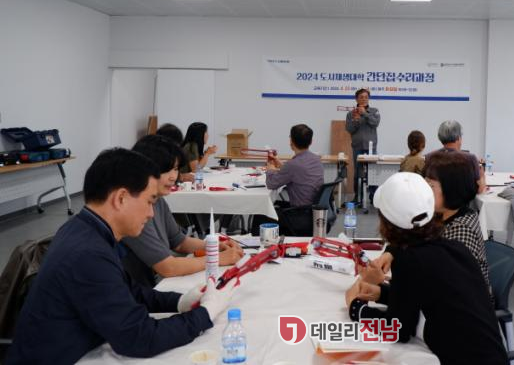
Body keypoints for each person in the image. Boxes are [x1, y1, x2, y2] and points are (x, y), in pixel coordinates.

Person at [6, 148, 236, 364]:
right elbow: (139, 338)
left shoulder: (84, 228)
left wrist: (179, 301)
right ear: (121, 198)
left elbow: (125, 292)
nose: (151, 213)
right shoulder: (88, 254)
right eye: (149, 201)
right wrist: (204, 315)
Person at [344, 172, 507, 365]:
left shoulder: (410, 259)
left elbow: (398, 330)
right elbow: (430, 299)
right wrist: (383, 294)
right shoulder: (453, 248)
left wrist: (356, 308)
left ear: (386, 223)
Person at [121, 135, 243, 287]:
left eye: (176, 169)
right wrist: (218, 258)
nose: (174, 177)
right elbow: (168, 268)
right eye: (167, 170)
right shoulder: (135, 209)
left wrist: (215, 247)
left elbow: (179, 241)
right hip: (146, 289)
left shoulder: (159, 200)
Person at [374, 151, 491, 292]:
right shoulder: (437, 213)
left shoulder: (462, 230)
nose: (424, 191)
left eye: (430, 186)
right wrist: (390, 252)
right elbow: (412, 236)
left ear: (452, 189)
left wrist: (384, 290)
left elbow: (441, 289)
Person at [255, 124, 323, 235]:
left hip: (299, 216)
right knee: (272, 205)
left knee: (260, 212)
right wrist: (281, 165)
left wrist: (270, 169)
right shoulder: (316, 159)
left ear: (291, 142)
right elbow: (299, 172)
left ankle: (255, 242)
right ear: (311, 141)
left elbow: (271, 184)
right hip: (313, 212)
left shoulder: (293, 165)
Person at [428, 120, 486, 194]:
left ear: (440, 137)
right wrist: (481, 174)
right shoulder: (471, 158)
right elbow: (480, 190)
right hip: (464, 201)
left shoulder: (430, 157)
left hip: (437, 200)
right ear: (458, 137)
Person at [345, 88, 380, 202]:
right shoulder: (351, 114)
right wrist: (356, 120)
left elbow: (375, 123)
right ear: (356, 99)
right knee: (358, 172)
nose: (364, 99)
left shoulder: (374, 111)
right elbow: (349, 129)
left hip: (371, 147)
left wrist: (364, 113)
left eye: (366, 97)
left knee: (372, 172)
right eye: (361, 97)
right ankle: (358, 197)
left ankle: (373, 197)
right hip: (357, 146)